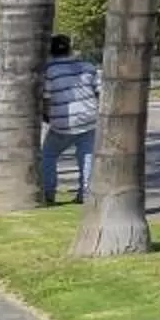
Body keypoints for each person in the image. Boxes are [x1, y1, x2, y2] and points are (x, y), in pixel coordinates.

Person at [39, 34, 101, 206]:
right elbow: (99, 92)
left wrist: (47, 116)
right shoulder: (87, 66)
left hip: (62, 122)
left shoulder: (49, 71)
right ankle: (86, 193)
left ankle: (49, 192)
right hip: (89, 119)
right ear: (70, 49)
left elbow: (46, 98)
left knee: (48, 155)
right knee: (87, 157)